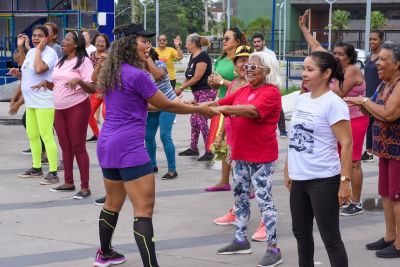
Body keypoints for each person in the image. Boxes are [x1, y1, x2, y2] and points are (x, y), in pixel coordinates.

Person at [93, 23, 217, 267]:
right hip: (129, 146)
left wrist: (191, 107)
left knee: (112, 203)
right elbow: (167, 104)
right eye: (143, 40)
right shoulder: (138, 75)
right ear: (129, 45)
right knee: (143, 209)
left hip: (107, 143)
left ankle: (104, 254)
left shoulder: (112, 71)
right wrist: (200, 108)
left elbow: (142, 106)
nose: (147, 45)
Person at [209, 51, 283, 267]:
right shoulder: (244, 90)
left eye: (253, 67)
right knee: (240, 197)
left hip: (261, 157)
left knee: (264, 199)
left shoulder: (271, 92)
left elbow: (251, 111)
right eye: (247, 66)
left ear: (267, 71)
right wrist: (200, 106)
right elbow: (221, 102)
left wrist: (223, 108)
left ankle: (273, 247)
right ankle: (240, 239)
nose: (247, 69)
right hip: (240, 155)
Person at [284, 50, 352, 267]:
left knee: (330, 239)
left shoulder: (333, 103)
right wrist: (288, 168)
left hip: (323, 180)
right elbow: (295, 137)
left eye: (310, 69)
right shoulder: (302, 99)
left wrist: (344, 181)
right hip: (299, 179)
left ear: (326, 73)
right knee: (301, 234)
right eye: (303, 69)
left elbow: (347, 142)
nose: (304, 73)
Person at [299, 10, 369, 216]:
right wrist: (304, 28)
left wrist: (317, 84)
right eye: (335, 53)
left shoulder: (352, 71)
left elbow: (338, 93)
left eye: (340, 54)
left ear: (350, 57)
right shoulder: (333, 68)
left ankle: (355, 201)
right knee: (340, 158)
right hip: (337, 118)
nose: (336, 56)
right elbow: (316, 47)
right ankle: (340, 195)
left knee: (354, 161)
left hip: (355, 118)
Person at [345, 41, 400, 259]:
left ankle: (399, 243)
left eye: (384, 59)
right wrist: (362, 104)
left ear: (397, 64)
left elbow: (388, 114)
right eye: (378, 59)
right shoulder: (384, 84)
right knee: (386, 194)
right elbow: (373, 111)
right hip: (385, 150)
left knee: (397, 197)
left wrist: (365, 101)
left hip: (398, 152)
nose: (378, 63)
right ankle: (389, 236)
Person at [32, 31, 95, 198]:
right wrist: (47, 83)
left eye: (67, 39)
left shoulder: (84, 61)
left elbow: (93, 88)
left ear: (76, 44)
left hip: (77, 107)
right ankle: (68, 182)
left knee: (78, 146)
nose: (63, 41)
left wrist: (79, 81)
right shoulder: (61, 61)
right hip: (59, 109)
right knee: (65, 147)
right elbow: (59, 84)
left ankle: (85, 187)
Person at [9, 25, 59, 183]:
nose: (36, 38)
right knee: (33, 135)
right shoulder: (31, 52)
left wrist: (38, 50)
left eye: (40, 35)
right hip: (31, 102)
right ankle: (36, 168)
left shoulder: (50, 53)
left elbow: (38, 69)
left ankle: (53, 172)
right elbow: (27, 68)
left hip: (44, 102)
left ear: (47, 38)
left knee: (46, 136)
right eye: (34, 35)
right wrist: (20, 48)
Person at [205, 27, 248, 192]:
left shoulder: (242, 60)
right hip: (223, 102)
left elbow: (244, 87)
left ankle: (244, 183)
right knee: (223, 143)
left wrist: (222, 81)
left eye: (227, 38)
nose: (224, 41)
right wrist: (212, 81)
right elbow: (218, 80)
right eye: (223, 38)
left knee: (235, 144)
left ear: (237, 42)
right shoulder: (222, 59)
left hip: (238, 105)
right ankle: (224, 180)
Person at [176, 34, 216, 161]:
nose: (185, 44)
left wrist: (182, 88)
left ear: (193, 43)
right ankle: (194, 148)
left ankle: (210, 150)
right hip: (197, 93)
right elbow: (189, 75)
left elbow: (197, 77)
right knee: (194, 120)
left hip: (206, 92)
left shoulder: (203, 57)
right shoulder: (193, 57)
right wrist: (180, 88)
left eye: (187, 42)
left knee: (201, 121)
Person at [145, 48, 178, 179]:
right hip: (153, 106)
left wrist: (148, 59)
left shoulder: (160, 65)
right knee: (148, 136)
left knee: (165, 136)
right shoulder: (141, 70)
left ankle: (172, 170)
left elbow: (158, 75)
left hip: (168, 104)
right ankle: (152, 166)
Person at [252, 33, 288, 138]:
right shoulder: (253, 54)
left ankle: (283, 130)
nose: (257, 44)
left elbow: (274, 69)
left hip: (270, 83)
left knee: (277, 107)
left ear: (263, 42)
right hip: (257, 84)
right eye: (254, 42)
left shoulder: (270, 54)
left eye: (258, 41)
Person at [361, 30, 384, 162]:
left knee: (379, 124)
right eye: (370, 39)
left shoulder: (383, 56)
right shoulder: (369, 56)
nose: (371, 42)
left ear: (381, 40)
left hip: (380, 96)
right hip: (368, 95)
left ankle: (378, 151)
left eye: (374, 39)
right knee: (369, 124)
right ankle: (369, 152)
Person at [87, 33, 110, 142]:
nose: (100, 43)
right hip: (95, 89)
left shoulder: (109, 55)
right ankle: (98, 135)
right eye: (98, 41)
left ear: (106, 44)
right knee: (88, 114)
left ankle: (109, 135)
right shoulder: (91, 54)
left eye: (102, 41)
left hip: (108, 89)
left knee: (106, 114)